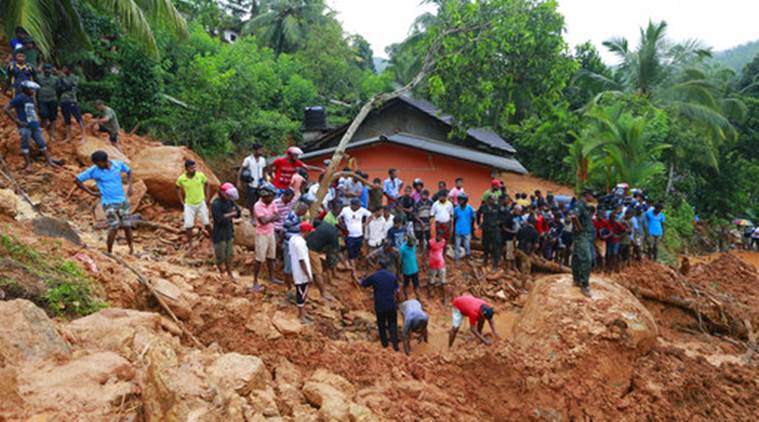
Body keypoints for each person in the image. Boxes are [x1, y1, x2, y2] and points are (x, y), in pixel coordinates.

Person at [75, 151, 134, 254]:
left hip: (122, 200)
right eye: (95, 164)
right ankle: (109, 252)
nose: (97, 166)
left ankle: (131, 249)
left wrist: (130, 186)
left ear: (105, 161)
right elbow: (77, 180)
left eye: (98, 163)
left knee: (127, 225)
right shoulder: (94, 170)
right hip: (108, 202)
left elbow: (129, 171)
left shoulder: (117, 165)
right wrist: (91, 193)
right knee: (114, 226)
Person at [4, 81, 60, 172]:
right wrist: (17, 121)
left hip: (34, 125)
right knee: (25, 144)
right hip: (25, 126)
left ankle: (49, 161)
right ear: (25, 89)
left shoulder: (30, 98)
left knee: (41, 142)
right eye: (31, 89)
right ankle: (28, 164)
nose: (33, 91)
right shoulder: (19, 98)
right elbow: (6, 108)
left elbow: (34, 110)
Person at [360, 260, 401, 352]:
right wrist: (397, 302)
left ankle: (385, 345)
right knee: (392, 324)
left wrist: (359, 278)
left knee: (381, 325)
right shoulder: (392, 276)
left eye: (376, 265)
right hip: (391, 304)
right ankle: (395, 346)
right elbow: (397, 290)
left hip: (380, 305)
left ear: (379, 266)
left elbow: (363, 284)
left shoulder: (374, 276)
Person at [176, 159, 211, 250]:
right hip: (189, 204)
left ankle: (213, 239)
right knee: (188, 225)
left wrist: (207, 197)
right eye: (191, 168)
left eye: (194, 167)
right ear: (186, 169)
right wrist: (181, 201)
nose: (194, 169)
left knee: (206, 222)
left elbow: (207, 184)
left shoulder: (200, 175)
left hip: (201, 203)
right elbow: (177, 188)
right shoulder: (182, 179)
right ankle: (190, 244)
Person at [211, 183, 241, 280]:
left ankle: (229, 273)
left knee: (229, 255)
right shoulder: (216, 204)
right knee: (220, 255)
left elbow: (238, 213)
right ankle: (221, 272)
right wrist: (231, 214)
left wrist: (229, 214)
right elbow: (219, 219)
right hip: (219, 233)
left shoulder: (230, 201)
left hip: (228, 232)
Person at [253, 187, 281, 292]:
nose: (273, 198)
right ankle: (255, 281)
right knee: (259, 259)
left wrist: (269, 218)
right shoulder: (257, 206)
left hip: (270, 232)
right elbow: (263, 221)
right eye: (271, 196)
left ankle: (272, 277)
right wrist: (272, 217)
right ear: (265, 196)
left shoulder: (272, 203)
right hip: (261, 234)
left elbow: (277, 216)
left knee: (271, 257)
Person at [339, 198, 373, 281]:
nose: (359, 207)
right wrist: (342, 226)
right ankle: (353, 271)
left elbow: (371, 215)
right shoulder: (345, 210)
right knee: (351, 253)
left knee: (356, 252)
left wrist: (365, 224)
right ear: (353, 205)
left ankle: (355, 268)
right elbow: (339, 217)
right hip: (350, 235)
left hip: (359, 235)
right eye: (358, 205)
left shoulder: (361, 210)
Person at [571, 188, 595, 297]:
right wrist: (579, 228)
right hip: (582, 235)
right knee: (587, 259)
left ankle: (576, 279)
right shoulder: (579, 204)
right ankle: (584, 285)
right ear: (587, 195)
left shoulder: (585, 206)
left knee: (577, 256)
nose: (593, 197)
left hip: (586, 236)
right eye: (592, 195)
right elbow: (573, 216)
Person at [305, 219, 338, 295]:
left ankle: (314, 285)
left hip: (306, 243)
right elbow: (336, 252)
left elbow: (315, 221)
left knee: (313, 268)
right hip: (312, 249)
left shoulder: (327, 225)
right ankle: (323, 292)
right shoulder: (334, 236)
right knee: (318, 272)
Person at [289, 222, 314, 321]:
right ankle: (301, 316)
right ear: (306, 231)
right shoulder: (300, 243)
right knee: (301, 293)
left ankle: (303, 312)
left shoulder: (293, 238)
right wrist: (308, 275)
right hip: (301, 273)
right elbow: (302, 260)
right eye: (309, 232)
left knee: (302, 292)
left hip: (297, 269)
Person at [57, 64, 85, 142]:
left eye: (65, 68)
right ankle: (68, 137)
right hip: (63, 100)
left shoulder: (74, 77)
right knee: (66, 118)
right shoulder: (61, 77)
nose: (63, 70)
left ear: (69, 69)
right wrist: (63, 86)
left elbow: (69, 86)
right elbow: (59, 88)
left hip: (72, 100)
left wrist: (63, 82)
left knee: (78, 117)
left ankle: (83, 135)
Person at [238, 144, 267, 213]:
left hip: (260, 184)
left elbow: (264, 171)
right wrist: (239, 181)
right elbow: (241, 170)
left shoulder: (263, 160)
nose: (261, 151)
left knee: (260, 201)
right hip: (251, 184)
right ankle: (252, 214)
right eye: (259, 150)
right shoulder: (248, 159)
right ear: (254, 150)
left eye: (261, 150)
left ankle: (258, 214)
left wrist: (266, 181)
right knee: (251, 201)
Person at [478, 194, 502, 271]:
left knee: (495, 247)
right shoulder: (483, 207)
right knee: (485, 245)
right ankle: (485, 260)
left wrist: (499, 222)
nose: (494, 201)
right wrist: (479, 223)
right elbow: (478, 214)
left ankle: (495, 264)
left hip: (495, 230)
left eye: (495, 200)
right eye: (492, 199)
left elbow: (503, 215)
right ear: (488, 200)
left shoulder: (498, 207)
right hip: (486, 229)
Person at [36, 63, 59, 143]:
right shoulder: (38, 77)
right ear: (43, 70)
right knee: (43, 115)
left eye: (49, 69)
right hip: (42, 100)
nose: (48, 71)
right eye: (46, 69)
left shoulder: (55, 78)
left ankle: (52, 134)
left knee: (53, 117)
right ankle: (44, 134)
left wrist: (57, 72)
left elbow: (58, 88)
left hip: (52, 99)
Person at [453, 194, 475, 264]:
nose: (459, 201)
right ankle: (457, 259)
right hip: (458, 230)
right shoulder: (456, 209)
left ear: (465, 201)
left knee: (467, 245)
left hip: (467, 230)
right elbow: (455, 219)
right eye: (459, 200)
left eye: (461, 200)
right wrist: (454, 229)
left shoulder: (470, 208)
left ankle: (468, 257)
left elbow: (473, 218)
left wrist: (472, 228)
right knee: (457, 245)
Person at [428, 231, 447, 304]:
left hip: (441, 264)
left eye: (441, 237)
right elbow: (427, 250)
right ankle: (430, 296)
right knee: (431, 280)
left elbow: (444, 251)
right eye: (438, 236)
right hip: (432, 263)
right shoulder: (430, 242)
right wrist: (426, 260)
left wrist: (444, 259)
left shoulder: (443, 241)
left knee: (443, 281)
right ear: (436, 235)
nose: (440, 238)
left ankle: (444, 297)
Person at [413, 189, 433, 256]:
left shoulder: (431, 203)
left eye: (426, 195)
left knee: (427, 237)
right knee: (420, 238)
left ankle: (427, 251)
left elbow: (432, 213)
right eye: (423, 195)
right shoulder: (417, 203)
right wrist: (421, 222)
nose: (424, 196)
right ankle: (420, 250)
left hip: (427, 224)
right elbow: (415, 215)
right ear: (420, 195)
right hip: (419, 224)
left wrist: (431, 220)